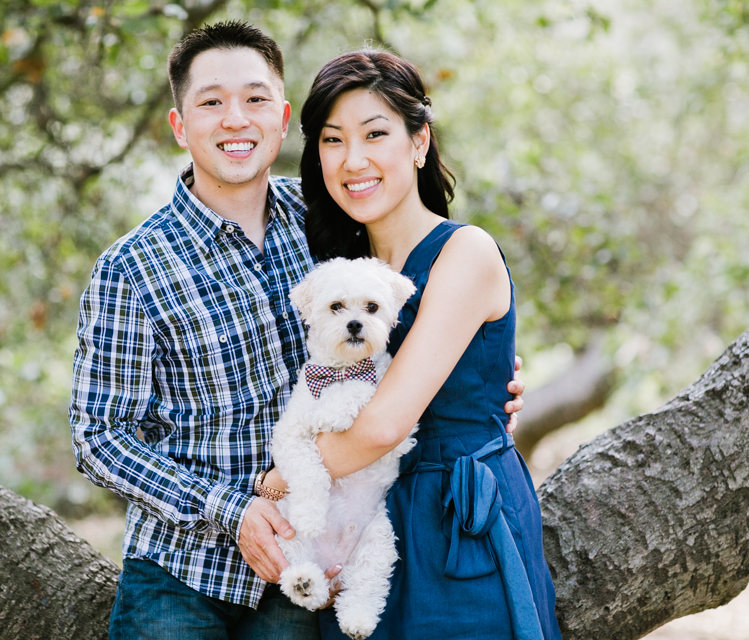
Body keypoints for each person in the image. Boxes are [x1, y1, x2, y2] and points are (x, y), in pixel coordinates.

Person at [68, 21, 526, 640]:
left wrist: (482, 390)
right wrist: (232, 510)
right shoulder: (133, 267)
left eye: (255, 99)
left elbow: (411, 341)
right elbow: (99, 436)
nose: (236, 119)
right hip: (184, 570)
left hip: (314, 561)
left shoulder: (324, 226)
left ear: (281, 121)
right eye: (211, 102)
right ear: (180, 126)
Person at [261, 51, 562, 639]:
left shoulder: (464, 252)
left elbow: (381, 426)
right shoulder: (347, 273)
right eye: (332, 140)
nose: (354, 160)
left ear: (419, 141)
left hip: (453, 517)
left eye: (376, 134)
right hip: (369, 514)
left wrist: (282, 478)